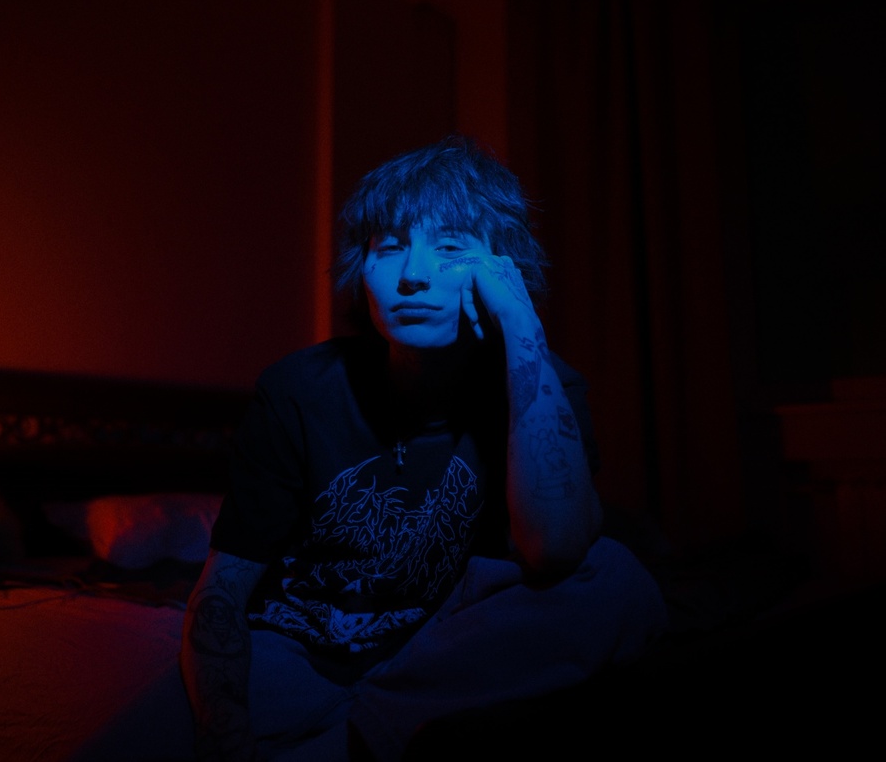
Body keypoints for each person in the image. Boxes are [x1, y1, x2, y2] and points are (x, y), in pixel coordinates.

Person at [180, 134, 668, 762]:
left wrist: (522, 324)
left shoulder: (545, 384)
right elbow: (222, 592)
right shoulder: (300, 389)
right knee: (148, 704)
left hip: (436, 652)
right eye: (389, 249)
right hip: (293, 654)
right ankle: (367, 734)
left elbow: (556, 548)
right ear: (364, 271)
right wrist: (223, 733)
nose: (413, 275)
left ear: (502, 268)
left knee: (617, 579)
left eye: (450, 247)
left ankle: (357, 735)